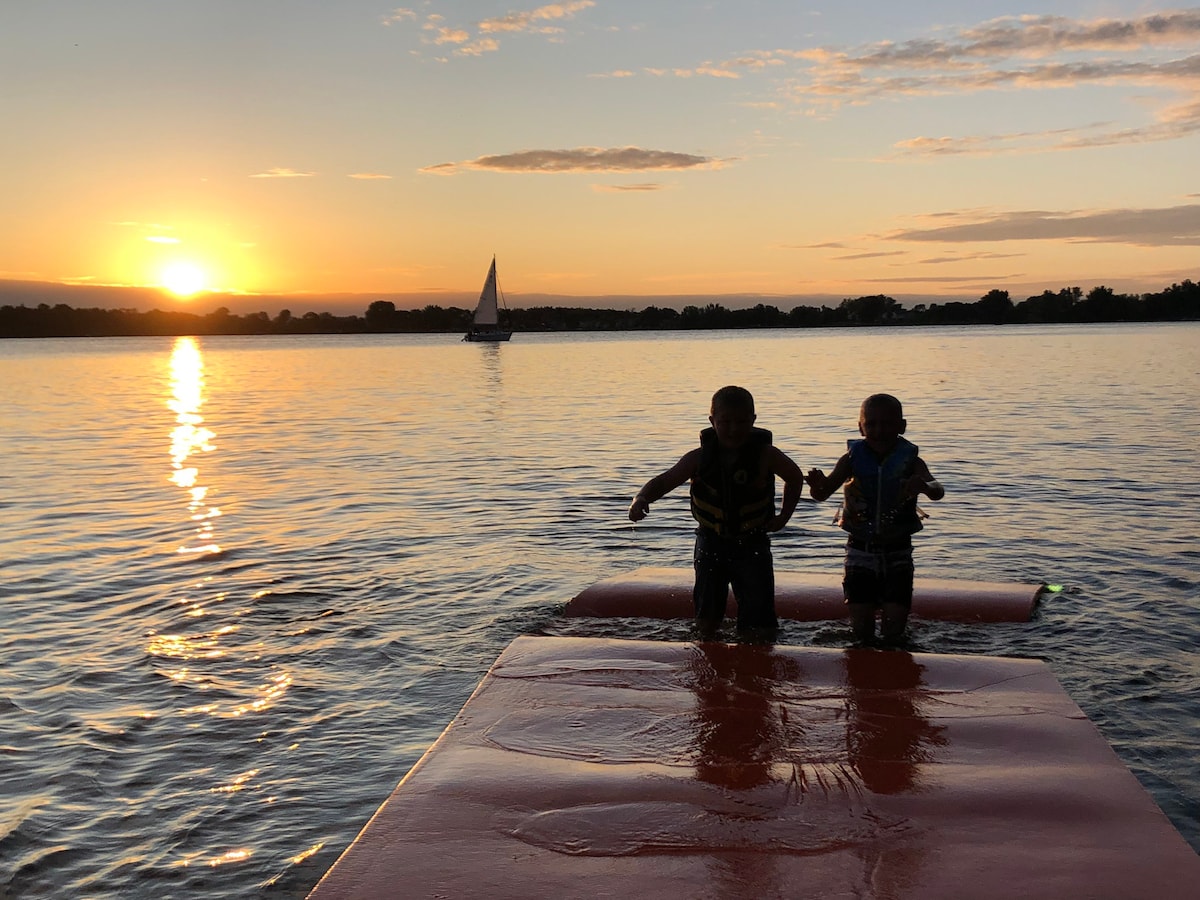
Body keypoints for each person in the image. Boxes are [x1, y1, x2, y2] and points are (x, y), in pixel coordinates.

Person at [627, 386, 805, 636]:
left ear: (754, 421)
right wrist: (641, 498)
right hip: (711, 543)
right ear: (712, 421)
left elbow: (795, 477)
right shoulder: (698, 458)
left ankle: (757, 657)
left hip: (753, 543)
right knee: (707, 616)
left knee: (760, 620)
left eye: (742, 421)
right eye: (726, 422)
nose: (734, 429)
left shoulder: (766, 455)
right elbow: (665, 481)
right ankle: (708, 650)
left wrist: (784, 517)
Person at [806, 393, 944, 645]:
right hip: (860, 551)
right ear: (860, 427)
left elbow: (937, 490)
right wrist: (816, 485)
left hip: (898, 552)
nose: (879, 430)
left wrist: (924, 486)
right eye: (871, 424)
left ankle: (894, 653)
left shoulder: (912, 461)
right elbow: (823, 494)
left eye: (888, 423)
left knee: (895, 626)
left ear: (901, 426)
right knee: (861, 627)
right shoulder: (850, 460)